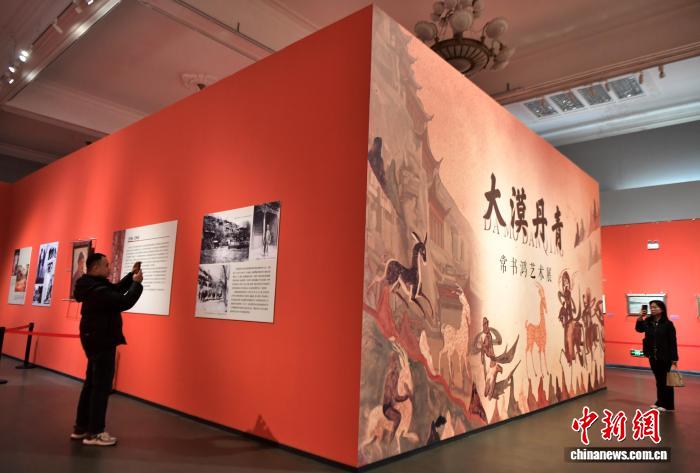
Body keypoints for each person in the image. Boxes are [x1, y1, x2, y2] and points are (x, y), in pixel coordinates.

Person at [71, 253, 143, 446]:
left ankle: (81, 428)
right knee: (101, 387)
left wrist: (131, 276)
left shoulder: (91, 285)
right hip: (102, 340)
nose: (109, 268)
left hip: (94, 339)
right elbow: (123, 301)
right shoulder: (97, 290)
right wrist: (137, 284)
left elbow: (115, 289)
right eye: (106, 265)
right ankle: (95, 433)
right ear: (95, 268)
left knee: (91, 384)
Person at [635, 300, 678, 412]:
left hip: (665, 356)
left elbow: (673, 342)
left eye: (655, 307)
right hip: (652, 356)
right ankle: (660, 401)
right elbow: (639, 329)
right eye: (651, 307)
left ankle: (668, 405)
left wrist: (674, 358)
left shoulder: (668, 324)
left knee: (666, 381)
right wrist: (640, 317)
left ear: (662, 309)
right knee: (659, 380)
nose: (652, 309)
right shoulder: (648, 322)